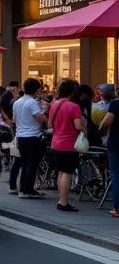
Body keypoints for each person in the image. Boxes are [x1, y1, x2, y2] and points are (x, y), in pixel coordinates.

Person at [48, 78, 86, 212]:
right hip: (69, 144)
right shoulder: (73, 106)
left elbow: (49, 123)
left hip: (56, 142)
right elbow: (77, 125)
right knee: (68, 172)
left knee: (61, 171)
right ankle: (63, 202)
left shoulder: (54, 104)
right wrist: (84, 129)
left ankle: (61, 198)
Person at [12, 77, 48, 200]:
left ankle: (23, 189)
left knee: (25, 163)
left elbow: (14, 119)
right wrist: (45, 116)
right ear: (36, 89)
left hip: (21, 135)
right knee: (31, 164)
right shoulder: (31, 102)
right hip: (32, 136)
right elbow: (40, 119)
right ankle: (28, 190)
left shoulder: (17, 102)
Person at [96, 83, 119, 218]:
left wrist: (100, 131)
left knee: (116, 175)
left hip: (116, 143)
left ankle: (117, 208)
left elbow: (107, 121)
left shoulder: (116, 104)